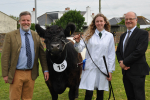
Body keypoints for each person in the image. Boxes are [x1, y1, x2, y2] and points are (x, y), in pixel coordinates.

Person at [1, 11, 49, 100]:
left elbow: (42, 55)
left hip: (31, 73)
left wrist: (45, 69)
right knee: (14, 98)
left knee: (27, 98)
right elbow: (5, 56)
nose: (26, 22)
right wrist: (5, 74)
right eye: (23, 20)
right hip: (16, 73)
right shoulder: (10, 35)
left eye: (28, 20)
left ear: (31, 21)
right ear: (19, 21)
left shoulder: (36, 35)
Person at [73, 13, 115, 100]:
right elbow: (79, 49)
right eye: (97, 21)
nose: (99, 23)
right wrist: (77, 42)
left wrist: (110, 70)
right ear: (94, 23)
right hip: (91, 67)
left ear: (105, 22)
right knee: (89, 93)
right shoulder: (88, 35)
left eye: (101, 21)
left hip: (103, 68)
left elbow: (111, 54)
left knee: (100, 93)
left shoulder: (109, 36)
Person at [116, 11, 149, 100]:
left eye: (131, 19)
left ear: (136, 20)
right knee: (130, 96)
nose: (128, 21)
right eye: (126, 19)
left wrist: (125, 62)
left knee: (139, 97)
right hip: (126, 73)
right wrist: (120, 62)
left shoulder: (143, 33)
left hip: (137, 72)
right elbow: (118, 51)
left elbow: (139, 51)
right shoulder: (123, 35)